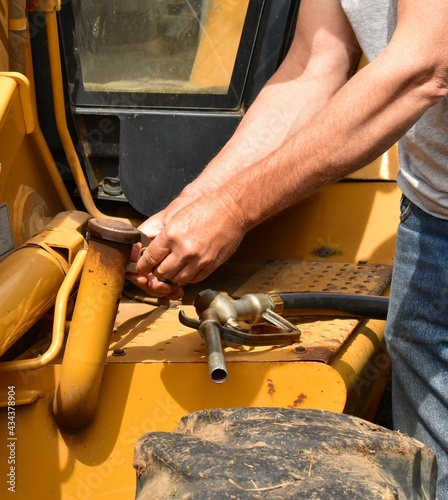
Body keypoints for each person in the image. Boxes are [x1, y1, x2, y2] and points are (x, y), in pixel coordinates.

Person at [127, 0, 448, 495]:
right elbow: (312, 67)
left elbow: (425, 65)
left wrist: (232, 210)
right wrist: (188, 210)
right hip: (429, 215)